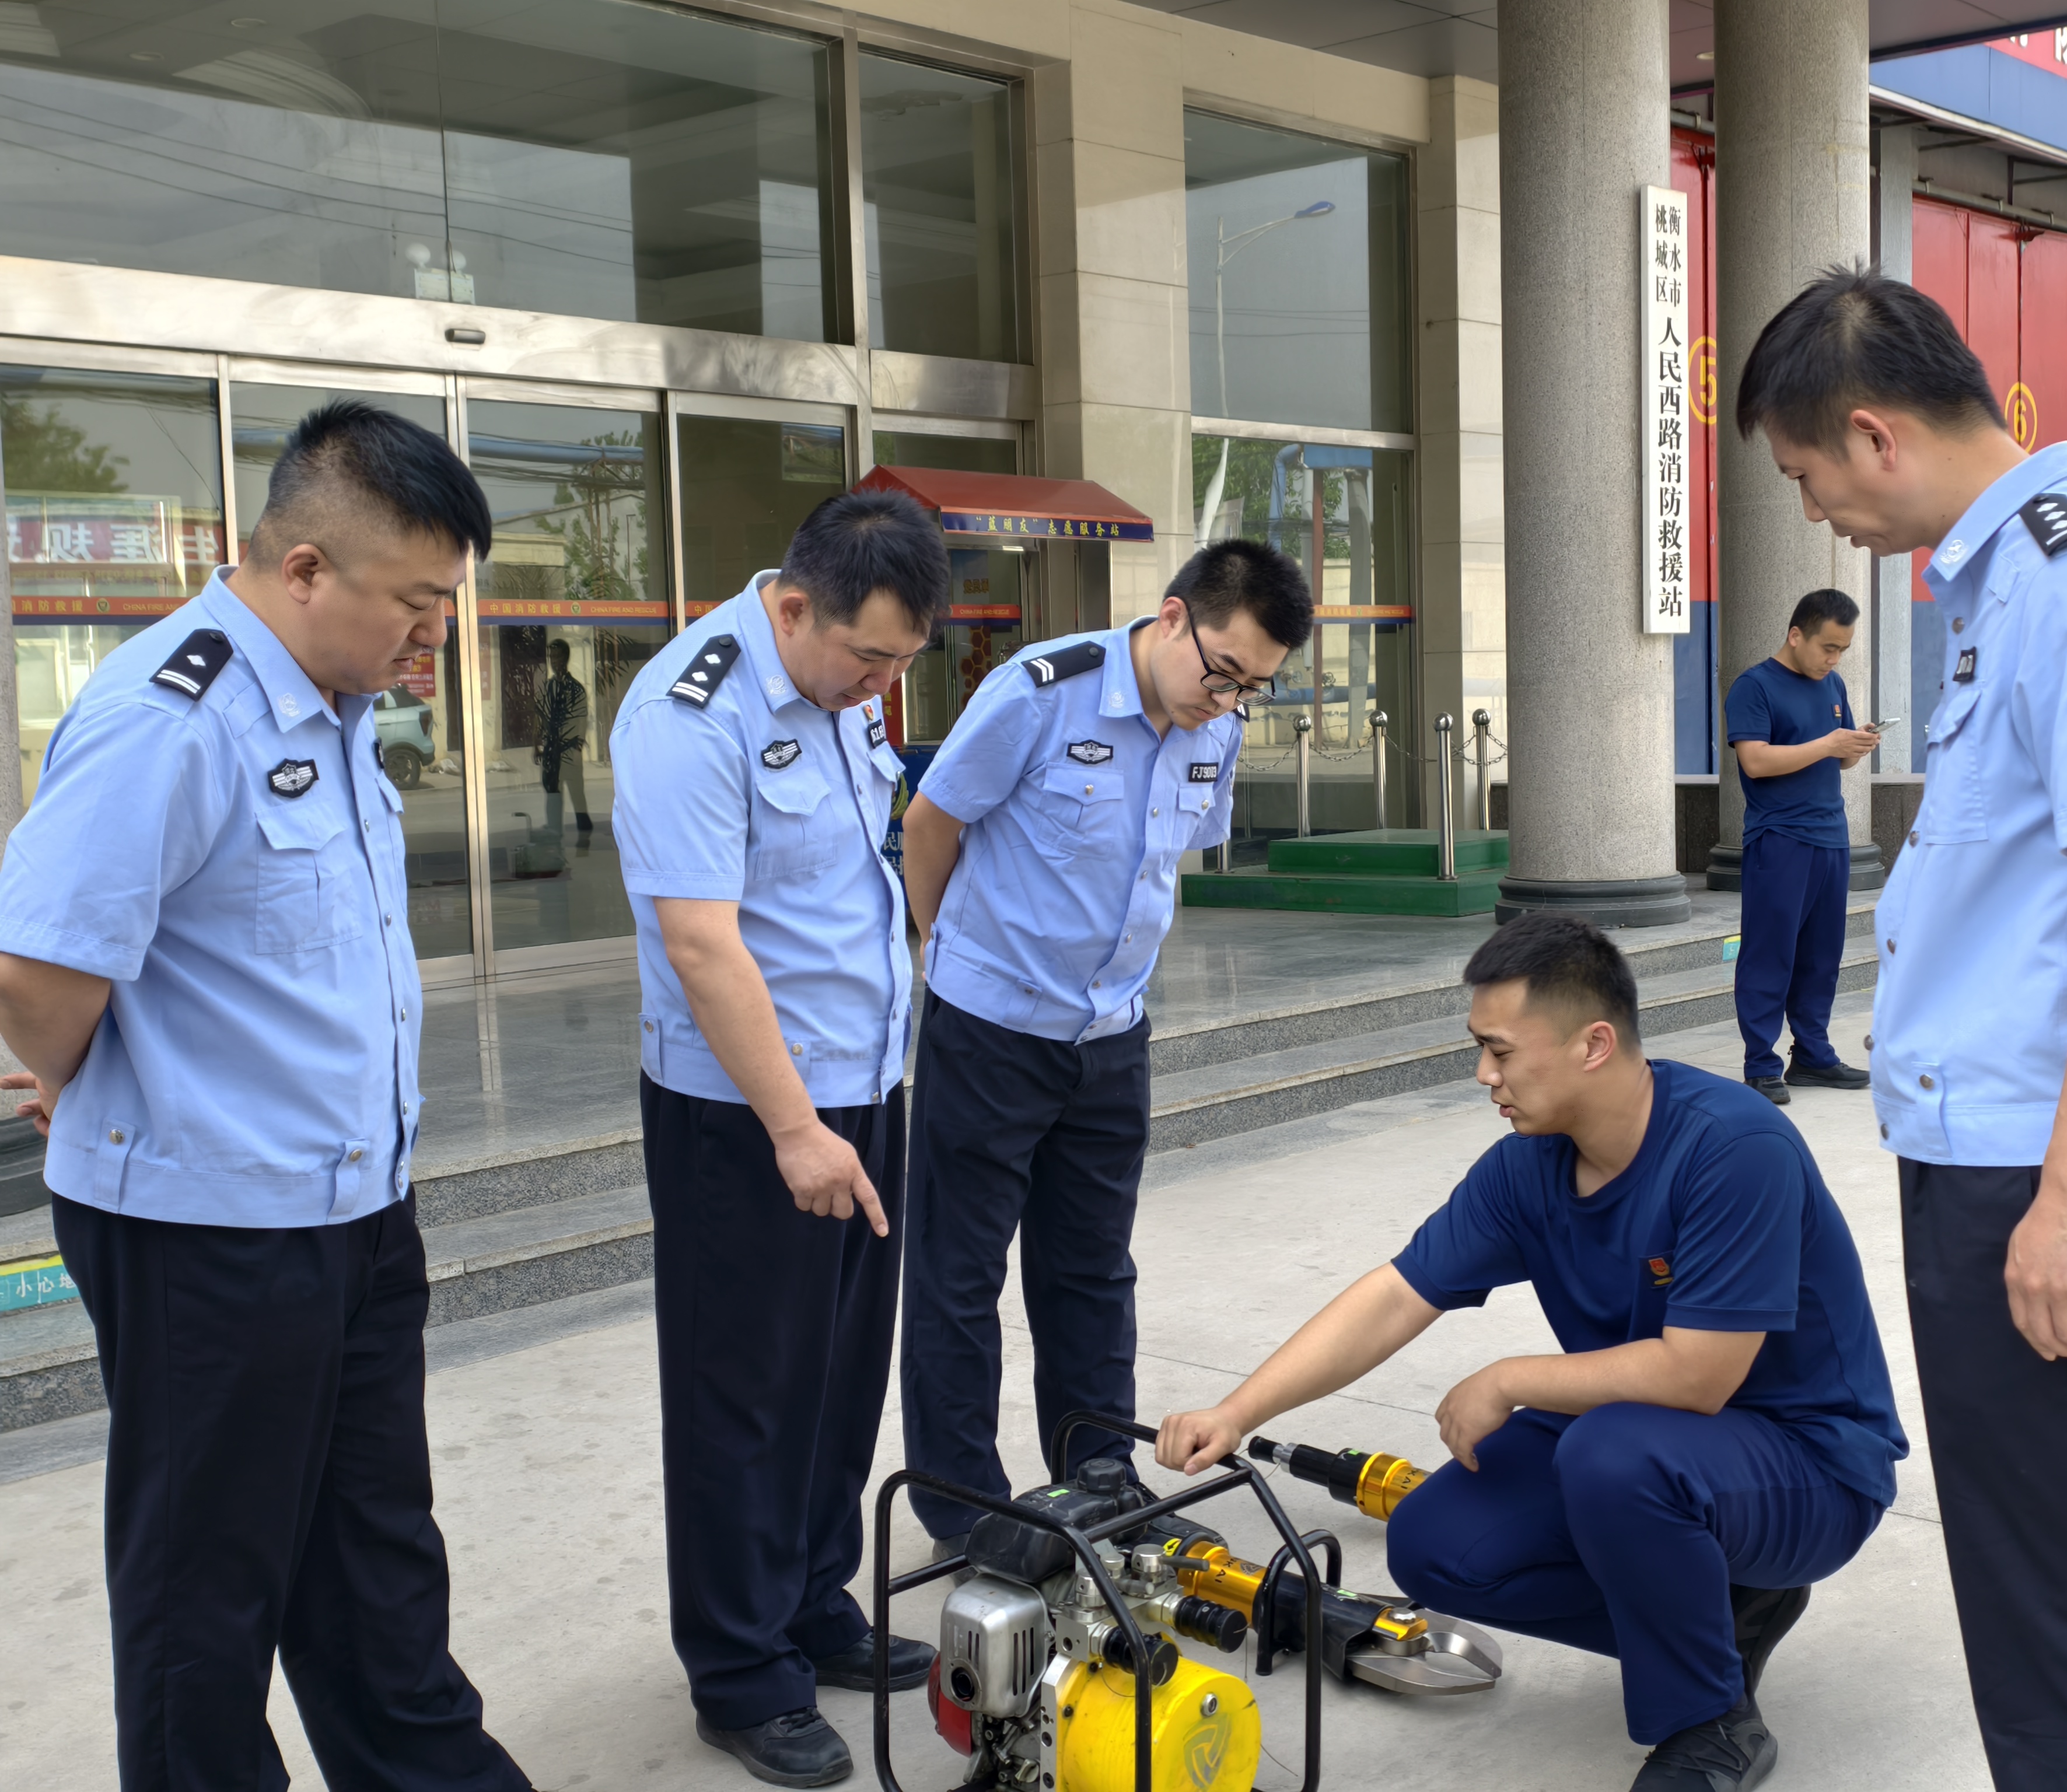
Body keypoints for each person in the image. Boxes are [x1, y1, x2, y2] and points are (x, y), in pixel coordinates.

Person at [0, 402, 534, 1791]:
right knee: (207, 1590)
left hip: (352, 1208)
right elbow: (39, 970)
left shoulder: (336, 705)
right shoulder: (170, 715)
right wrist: (85, 1078)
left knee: (375, 1556)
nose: (434, 636)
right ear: (305, 569)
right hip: (209, 1233)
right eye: (415, 602)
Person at [1738, 265, 2067, 1791]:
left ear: (1872, 435)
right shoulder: (2005, 580)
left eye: (1806, 473)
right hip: (2005, 1156)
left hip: (2047, 1170)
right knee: (2046, 1588)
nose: (1816, 511)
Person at [1157, 914, 1906, 1792]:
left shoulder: (1731, 1147)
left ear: (1594, 1044)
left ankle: (1710, 1726)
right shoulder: (1530, 1165)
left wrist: (1511, 1378)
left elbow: (1699, 1376)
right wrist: (1237, 1412)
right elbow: (1397, 1293)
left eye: (1500, 1051)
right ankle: (1723, 1620)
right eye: (1481, 1049)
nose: (1485, 1074)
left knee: (1612, 1455)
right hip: (1648, 1438)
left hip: (1808, 1466)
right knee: (1438, 1543)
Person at [610, 488, 949, 1788]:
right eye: (868, 658)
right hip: (749, 1115)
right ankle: (741, 1667)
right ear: (794, 606)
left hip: (862, 1086)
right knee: (741, 1393)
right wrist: (795, 1129)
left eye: (902, 665)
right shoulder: (691, 711)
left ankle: (811, 1600)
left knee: (837, 1375)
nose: (881, 688)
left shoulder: (838, 688)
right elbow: (702, 942)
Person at [898, 539, 1311, 1554]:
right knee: (959, 1277)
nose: (1228, 700)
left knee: (1091, 1270)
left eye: (1253, 687)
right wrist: (946, 951)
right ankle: (962, 1503)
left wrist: (1223, 701)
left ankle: (1096, 1475)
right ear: (1172, 618)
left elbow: (1163, 857)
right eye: (1223, 671)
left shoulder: (1216, 726)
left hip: (1111, 1035)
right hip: (990, 1031)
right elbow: (931, 823)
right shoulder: (1041, 692)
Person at [1723, 587, 1879, 1105]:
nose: (1834, 660)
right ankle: (1761, 1064)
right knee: (1770, 953)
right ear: (1796, 635)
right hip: (1779, 838)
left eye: (1842, 650)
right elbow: (1756, 761)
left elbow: (1839, 759)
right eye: (1828, 647)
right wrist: (1829, 743)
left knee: (1821, 956)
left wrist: (1854, 745)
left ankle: (1812, 1055)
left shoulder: (1832, 683)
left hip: (1831, 836)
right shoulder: (1754, 686)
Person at [537, 636, 593, 843]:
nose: (554, 661)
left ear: (566, 658)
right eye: (552, 657)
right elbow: (542, 717)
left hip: (569, 751)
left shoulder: (576, 689)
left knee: (577, 796)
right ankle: (554, 834)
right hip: (551, 751)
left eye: (558, 657)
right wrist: (538, 746)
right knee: (553, 794)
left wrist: (577, 750)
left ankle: (585, 839)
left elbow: (581, 721)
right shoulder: (548, 687)